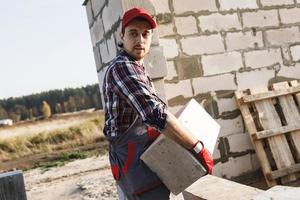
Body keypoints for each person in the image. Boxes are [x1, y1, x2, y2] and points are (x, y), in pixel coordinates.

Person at [102, 7, 213, 200]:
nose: (140, 40)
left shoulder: (136, 66)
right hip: (133, 159)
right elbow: (155, 115)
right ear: (122, 35)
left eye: (145, 34)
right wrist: (197, 148)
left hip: (143, 154)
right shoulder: (123, 67)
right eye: (133, 33)